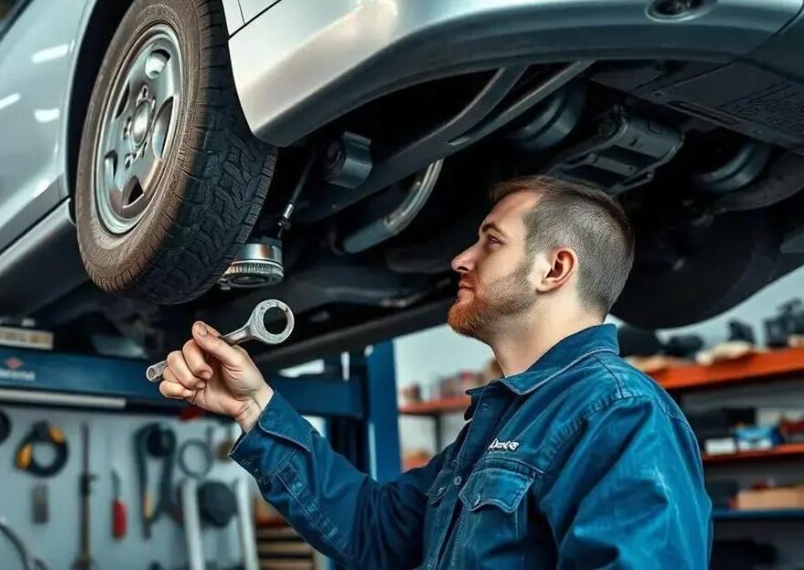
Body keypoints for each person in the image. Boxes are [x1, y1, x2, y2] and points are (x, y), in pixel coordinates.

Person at [157, 175, 712, 569]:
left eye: (490, 241)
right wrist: (254, 408)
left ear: (554, 269)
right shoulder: (498, 425)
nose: (460, 259)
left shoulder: (618, 412)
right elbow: (375, 531)